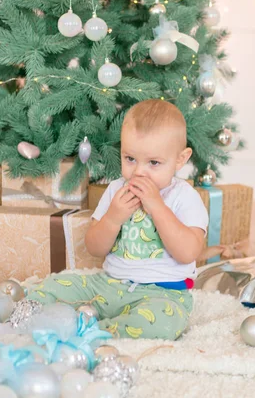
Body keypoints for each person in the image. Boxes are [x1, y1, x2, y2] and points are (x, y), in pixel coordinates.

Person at [27, 99, 209, 340]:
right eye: (130, 159)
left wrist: (157, 207)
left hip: (162, 294)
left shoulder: (184, 197)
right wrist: (113, 217)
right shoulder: (116, 190)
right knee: (54, 286)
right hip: (108, 285)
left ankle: (96, 332)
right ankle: (27, 315)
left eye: (154, 162)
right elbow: (94, 247)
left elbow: (188, 252)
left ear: (180, 159)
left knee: (164, 322)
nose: (139, 172)